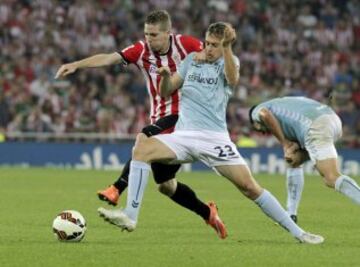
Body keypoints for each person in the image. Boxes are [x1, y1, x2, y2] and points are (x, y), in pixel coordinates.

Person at [98, 22, 324, 244]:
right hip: (184, 135)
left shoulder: (229, 62)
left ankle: (299, 233)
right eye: (207, 43)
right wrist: (166, 76)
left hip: (214, 139)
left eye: (215, 45)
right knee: (142, 147)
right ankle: (130, 215)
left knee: (250, 187)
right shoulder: (190, 61)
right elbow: (165, 91)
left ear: (224, 46)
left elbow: (233, 79)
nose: (208, 48)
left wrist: (226, 48)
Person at [55, 10, 227, 239]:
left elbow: (215, 55)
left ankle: (117, 188)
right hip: (160, 119)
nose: (149, 39)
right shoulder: (141, 50)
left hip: (183, 117)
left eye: (154, 35)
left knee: (143, 139)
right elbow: (109, 57)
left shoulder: (186, 44)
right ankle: (208, 213)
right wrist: (77, 64)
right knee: (166, 185)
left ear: (168, 33)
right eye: (147, 34)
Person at [249, 96, 360, 223]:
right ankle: (291, 214)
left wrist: (284, 143)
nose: (263, 132)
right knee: (294, 161)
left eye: (259, 130)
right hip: (333, 120)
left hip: (315, 125)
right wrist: (292, 147)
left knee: (331, 178)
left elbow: (264, 114)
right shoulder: (281, 105)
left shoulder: (256, 111)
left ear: (255, 123)